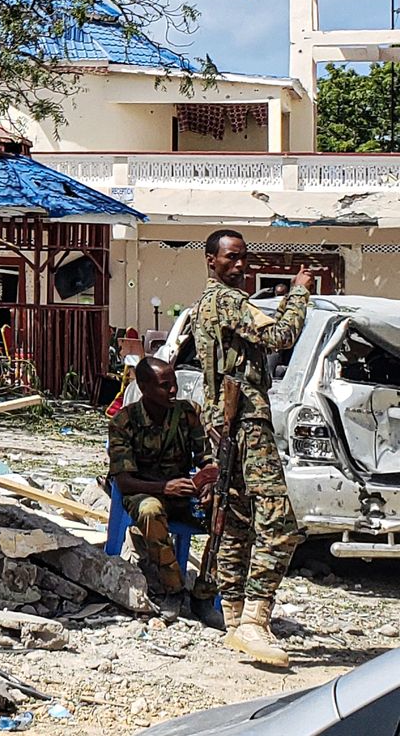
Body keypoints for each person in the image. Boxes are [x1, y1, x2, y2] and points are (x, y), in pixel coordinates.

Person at [194, 228, 314, 667]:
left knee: (238, 519)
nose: (240, 266)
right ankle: (254, 620)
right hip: (244, 419)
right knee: (279, 521)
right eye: (232, 258)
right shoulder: (224, 300)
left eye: (244, 258)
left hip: (226, 423)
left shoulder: (208, 305)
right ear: (211, 260)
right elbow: (280, 336)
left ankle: (235, 618)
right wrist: (299, 294)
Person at [107, 356, 211, 618]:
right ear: (144, 387)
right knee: (151, 510)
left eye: (174, 383)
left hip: (184, 493)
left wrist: (208, 481)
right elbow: (124, 481)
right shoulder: (124, 422)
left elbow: (205, 457)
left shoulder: (188, 414)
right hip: (144, 490)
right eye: (165, 386)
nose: (173, 390)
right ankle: (173, 590)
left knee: (230, 513)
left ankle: (206, 593)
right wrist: (166, 488)